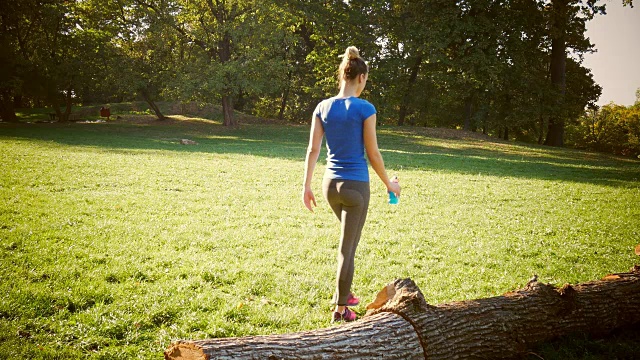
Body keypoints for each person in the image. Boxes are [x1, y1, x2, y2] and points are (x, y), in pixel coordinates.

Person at [302, 46, 401, 323]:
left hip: (329, 185)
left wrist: (305, 186)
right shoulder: (365, 108)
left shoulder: (322, 107)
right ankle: (341, 308)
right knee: (347, 249)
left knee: (349, 243)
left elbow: (313, 149)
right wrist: (389, 185)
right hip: (356, 187)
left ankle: (345, 293)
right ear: (361, 78)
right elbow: (373, 153)